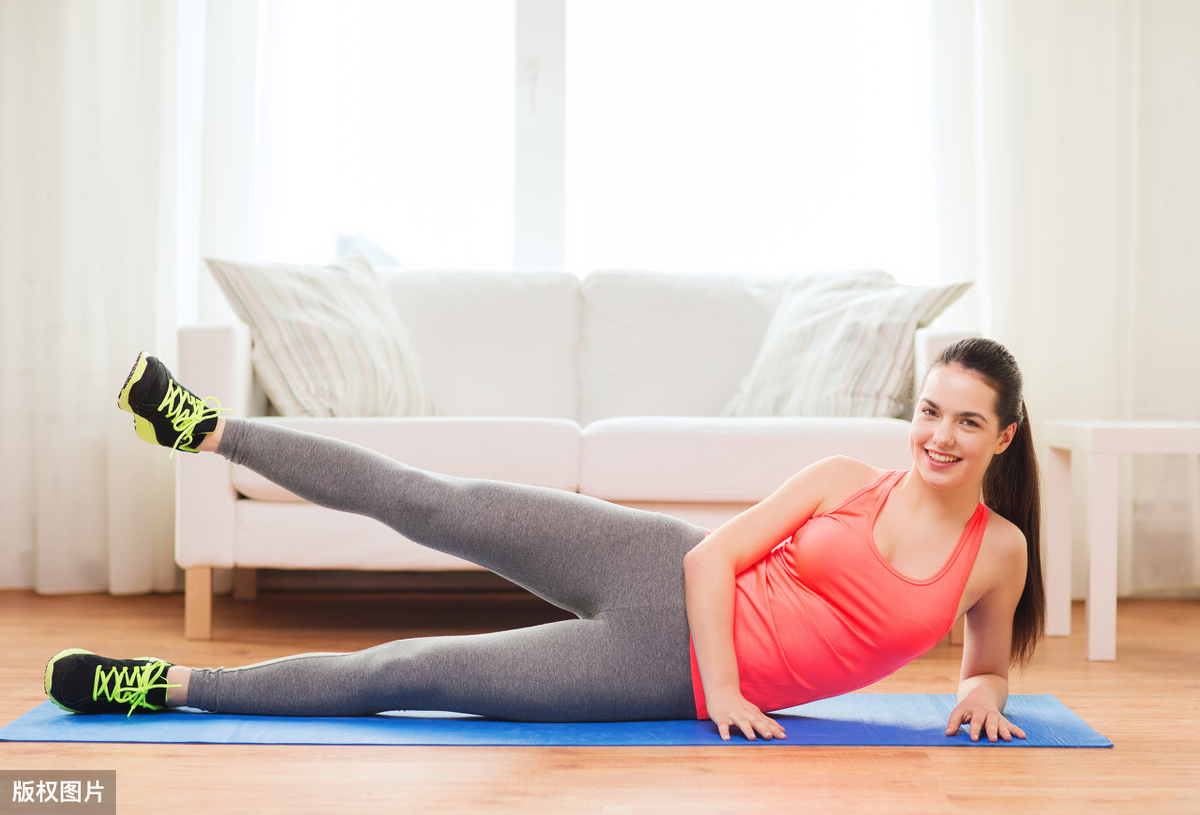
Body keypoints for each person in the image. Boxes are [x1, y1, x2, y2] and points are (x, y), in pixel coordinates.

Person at [45, 337, 1044, 743]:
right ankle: (208, 427)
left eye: (967, 422)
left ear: (1002, 436)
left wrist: (982, 695)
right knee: (433, 499)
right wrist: (738, 689)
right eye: (929, 411)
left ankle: (162, 686)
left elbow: (986, 659)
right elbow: (709, 558)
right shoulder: (843, 481)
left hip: (660, 665)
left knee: (415, 667)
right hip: (654, 565)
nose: (938, 437)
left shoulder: (998, 552)